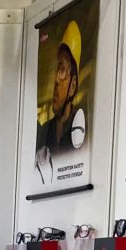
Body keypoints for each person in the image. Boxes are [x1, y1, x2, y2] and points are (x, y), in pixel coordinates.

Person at [37, 21, 84, 155]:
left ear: (72, 86)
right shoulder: (43, 132)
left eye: (62, 70)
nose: (56, 80)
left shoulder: (78, 129)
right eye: (57, 70)